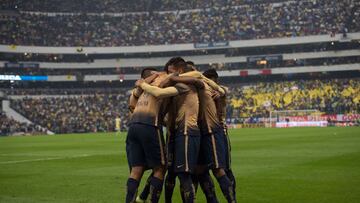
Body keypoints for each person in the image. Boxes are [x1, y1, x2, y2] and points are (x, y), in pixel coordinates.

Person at [125, 68, 169, 203]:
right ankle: (149, 199)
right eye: (156, 73)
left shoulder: (139, 91)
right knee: (161, 168)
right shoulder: (157, 84)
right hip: (148, 125)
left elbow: (137, 87)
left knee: (136, 170)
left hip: (133, 126)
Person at [203, 68, 236, 198]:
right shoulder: (211, 91)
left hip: (218, 132)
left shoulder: (219, 90)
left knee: (224, 169)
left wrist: (221, 93)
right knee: (202, 171)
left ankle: (233, 198)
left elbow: (224, 91)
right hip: (207, 132)